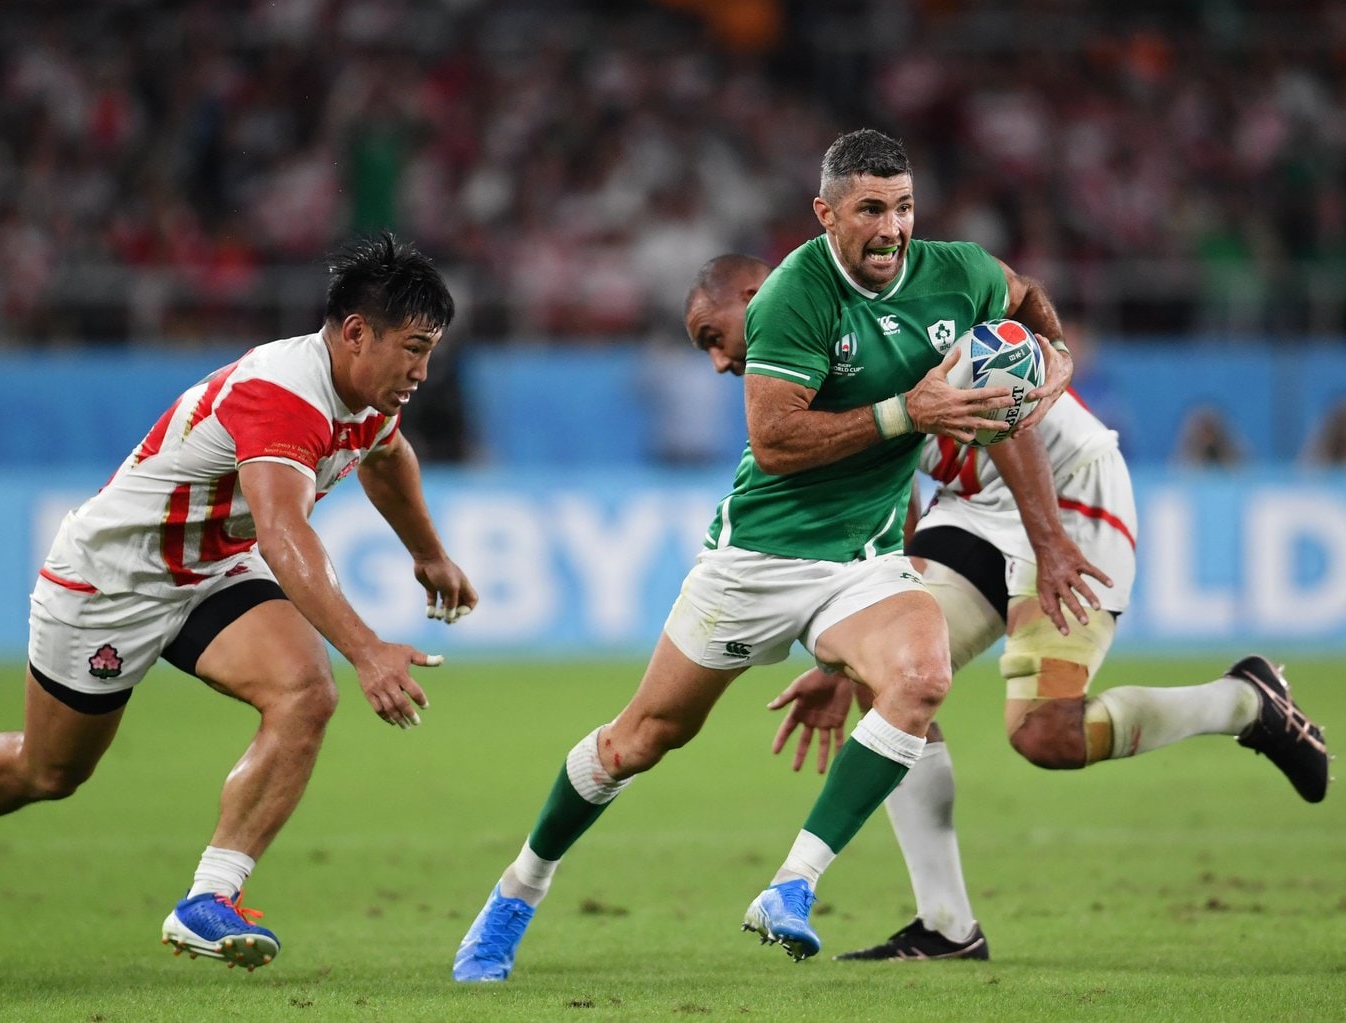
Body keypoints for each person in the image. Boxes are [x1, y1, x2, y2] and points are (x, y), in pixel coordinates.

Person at [451, 128, 1088, 982]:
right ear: (826, 214)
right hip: (757, 558)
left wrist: (1054, 354)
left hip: (858, 564)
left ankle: (792, 885)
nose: (891, 226)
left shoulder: (961, 272)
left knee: (921, 675)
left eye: (902, 207)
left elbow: (1026, 295)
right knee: (642, 737)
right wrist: (911, 412)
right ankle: (514, 895)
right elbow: (778, 440)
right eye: (870, 209)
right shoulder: (794, 291)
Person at [692, 257, 1332, 962]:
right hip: (970, 507)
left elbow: (1009, 409)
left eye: (711, 335)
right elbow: (888, 501)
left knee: (1045, 735)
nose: (719, 361)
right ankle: (946, 926)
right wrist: (849, 659)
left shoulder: (892, 313)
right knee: (891, 681)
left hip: (1066, 495)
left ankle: (1246, 703)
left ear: (755, 296)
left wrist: (1049, 540)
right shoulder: (805, 368)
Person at [0, 231, 478, 972]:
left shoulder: (368, 391)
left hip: (210, 568)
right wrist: (368, 646)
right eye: (413, 347)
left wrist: (427, 551)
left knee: (306, 690)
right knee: (50, 773)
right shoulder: (282, 394)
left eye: (430, 349)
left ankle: (209, 896)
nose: (422, 370)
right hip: (112, 579)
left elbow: (386, 456)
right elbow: (282, 531)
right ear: (354, 333)